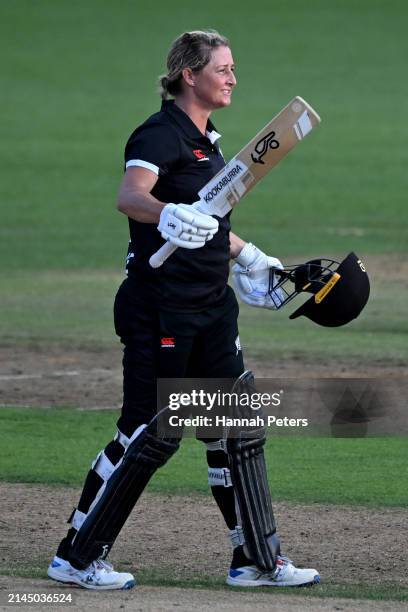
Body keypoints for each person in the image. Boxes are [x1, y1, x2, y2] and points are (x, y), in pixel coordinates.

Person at [47, 30, 320, 590]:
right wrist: (164, 213)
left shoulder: (210, 144)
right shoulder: (160, 133)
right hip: (160, 309)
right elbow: (132, 196)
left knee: (235, 427)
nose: (232, 77)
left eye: (234, 68)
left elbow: (211, 219)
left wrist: (253, 259)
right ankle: (76, 557)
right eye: (223, 68)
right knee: (150, 432)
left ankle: (256, 561)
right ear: (189, 75)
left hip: (211, 308)